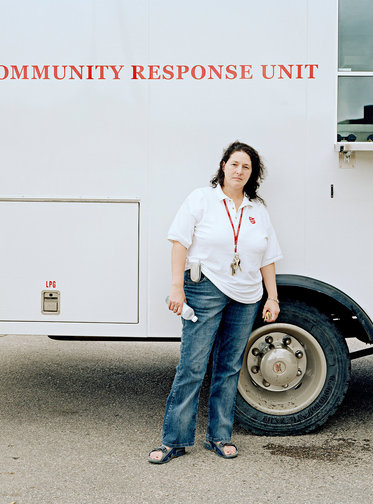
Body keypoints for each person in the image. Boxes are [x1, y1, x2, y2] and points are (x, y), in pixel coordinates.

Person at [148, 141, 283, 464]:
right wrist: (176, 288)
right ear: (223, 166)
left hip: (247, 295)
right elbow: (179, 243)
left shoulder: (257, 210)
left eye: (246, 167)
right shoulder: (202, 199)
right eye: (235, 164)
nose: (239, 171)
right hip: (205, 289)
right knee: (192, 366)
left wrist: (272, 296)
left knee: (228, 368)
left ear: (252, 175)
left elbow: (268, 258)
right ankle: (174, 441)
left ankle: (219, 437)